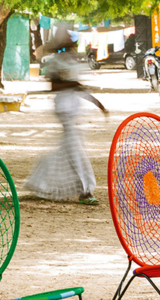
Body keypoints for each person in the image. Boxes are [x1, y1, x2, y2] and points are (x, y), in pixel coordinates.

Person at [25, 27, 108, 204]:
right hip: (64, 109)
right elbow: (55, 86)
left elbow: (78, 86)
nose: (73, 39)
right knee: (75, 150)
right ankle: (85, 190)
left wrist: (96, 103)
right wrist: (71, 84)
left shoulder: (74, 60)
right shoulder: (56, 62)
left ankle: (41, 182)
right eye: (69, 37)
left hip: (74, 109)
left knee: (67, 150)